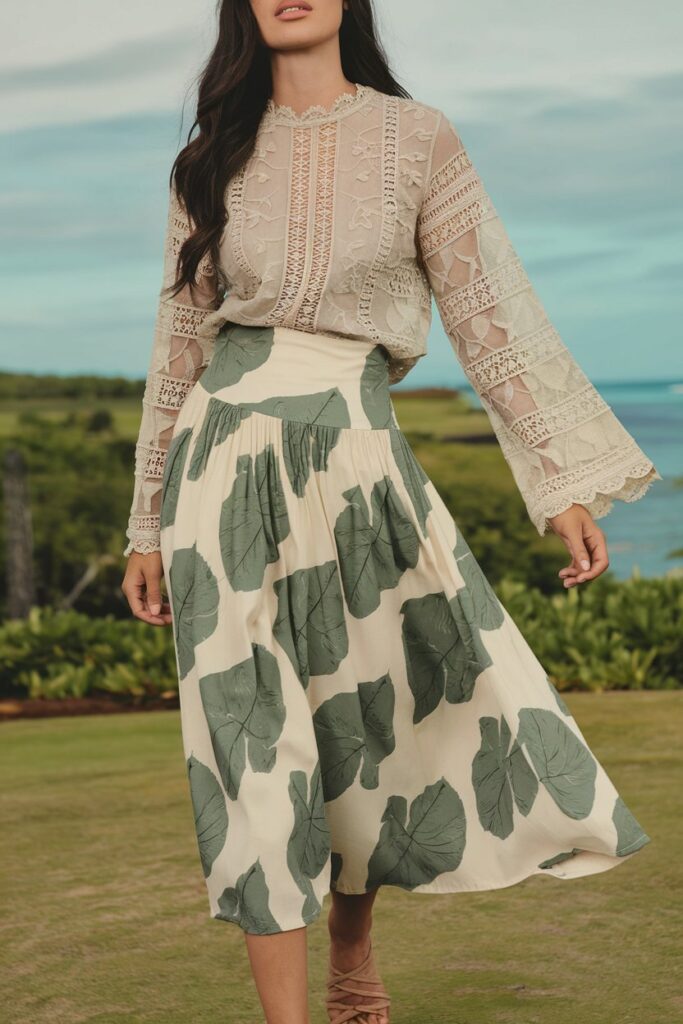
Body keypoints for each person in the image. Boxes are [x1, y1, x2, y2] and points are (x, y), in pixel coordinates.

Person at [120, 2, 661, 1022]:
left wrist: (559, 485)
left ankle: (353, 958)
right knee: (248, 743)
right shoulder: (207, 158)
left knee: (358, 723)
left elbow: (487, 310)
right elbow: (176, 346)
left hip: (356, 461)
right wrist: (145, 519)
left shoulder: (415, 137)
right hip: (219, 460)